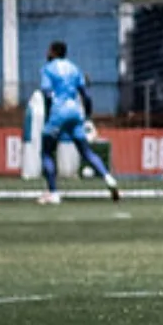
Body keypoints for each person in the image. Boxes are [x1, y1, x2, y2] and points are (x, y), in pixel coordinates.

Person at [35, 42, 121, 205]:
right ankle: (109, 179)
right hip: (75, 112)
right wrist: (88, 113)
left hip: (58, 112)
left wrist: (50, 113)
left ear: (53, 52)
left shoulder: (47, 68)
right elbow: (86, 95)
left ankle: (53, 193)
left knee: (46, 152)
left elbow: (46, 92)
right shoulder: (75, 69)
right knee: (86, 151)